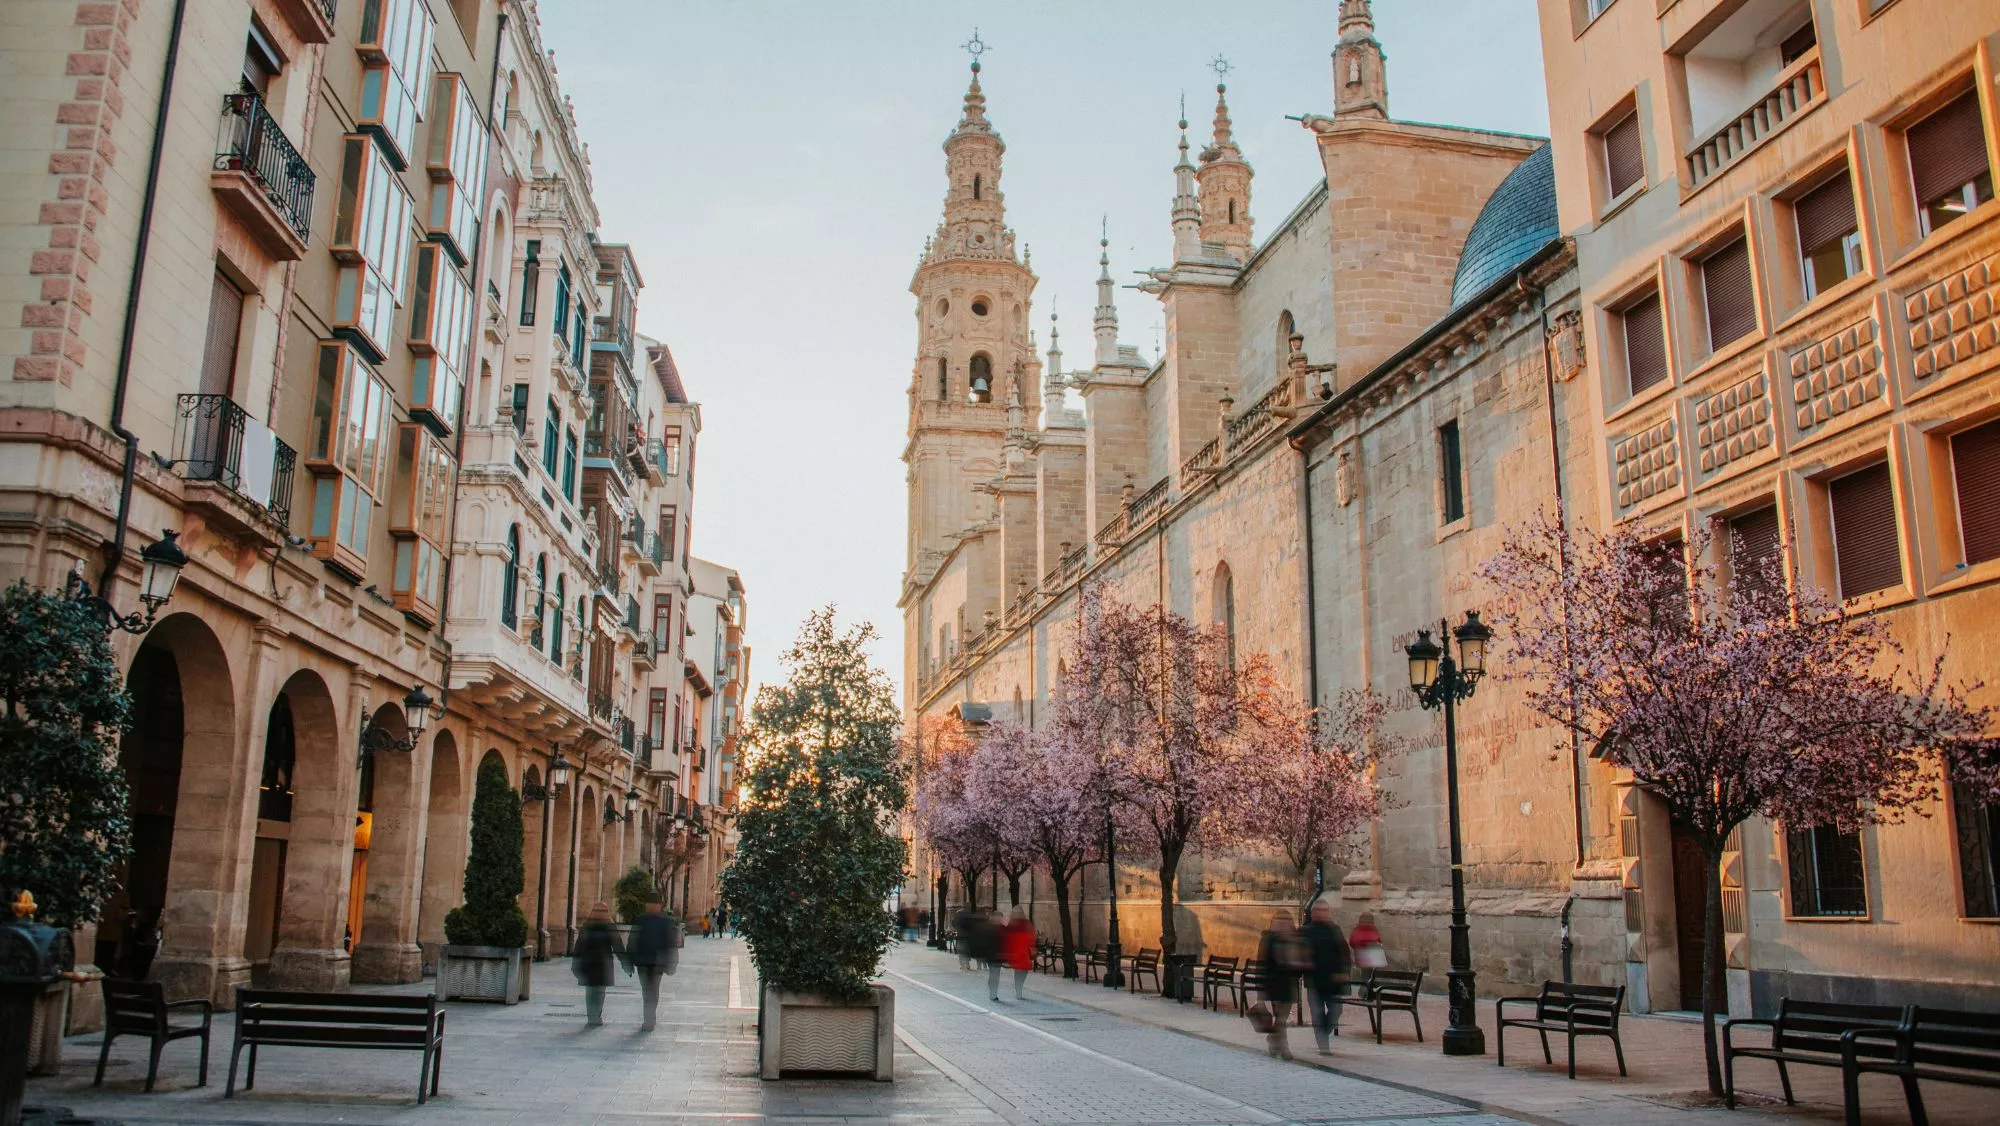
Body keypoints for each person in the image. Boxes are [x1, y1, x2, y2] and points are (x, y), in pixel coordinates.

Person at [1301, 900, 1352, 1055]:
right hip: (1314, 981)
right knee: (1317, 1012)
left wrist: (1344, 973)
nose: (1322, 913)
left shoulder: (1334, 930)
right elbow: (1300, 953)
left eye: (1324, 910)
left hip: (1333, 981)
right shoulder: (1306, 931)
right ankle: (1323, 1044)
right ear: (1313, 912)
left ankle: (1324, 1032)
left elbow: (1344, 952)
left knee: (1336, 1011)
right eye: (1319, 910)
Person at [1256, 911, 1304, 1059]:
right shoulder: (1268, 939)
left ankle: (1273, 1039)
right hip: (1274, 983)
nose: (1283, 923)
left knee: (1280, 1017)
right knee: (1281, 1017)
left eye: (1286, 920)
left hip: (1289, 984)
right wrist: (1260, 994)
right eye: (1280, 920)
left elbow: (1301, 964)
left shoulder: (1295, 939)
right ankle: (1285, 1049)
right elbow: (1262, 964)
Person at [628, 899, 683, 1031]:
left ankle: (649, 1018)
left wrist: (672, 962)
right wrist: (629, 961)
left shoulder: (664, 921)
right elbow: (632, 941)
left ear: (659, 905)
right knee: (649, 990)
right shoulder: (642, 920)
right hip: (645, 962)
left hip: (656, 962)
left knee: (651, 990)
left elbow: (671, 944)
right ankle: (649, 1018)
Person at [571, 902, 624, 1028]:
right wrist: (575, 963)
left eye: (602, 911)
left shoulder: (609, 927)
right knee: (591, 991)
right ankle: (592, 1016)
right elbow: (579, 946)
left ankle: (596, 1015)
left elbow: (618, 946)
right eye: (598, 910)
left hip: (602, 964)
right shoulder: (587, 927)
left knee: (599, 991)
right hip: (591, 963)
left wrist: (625, 962)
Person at [1000, 908, 1035, 1001]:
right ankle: (1018, 988)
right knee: (1020, 970)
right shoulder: (1013, 923)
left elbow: (1032, 935)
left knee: (1023, 970)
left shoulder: (1025, 923)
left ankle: (1019, 987)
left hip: (1023, 950)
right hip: (1017, 950)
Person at [953, 904, 975, 970]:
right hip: (968, 935)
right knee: (967, 950)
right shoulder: (970, 914)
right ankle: (967, 964)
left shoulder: (958, 914)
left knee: (961, 950)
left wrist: (957, 929)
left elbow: (954, 923)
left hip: (960, 935)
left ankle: (962, 964)